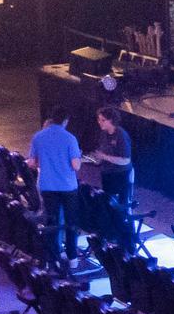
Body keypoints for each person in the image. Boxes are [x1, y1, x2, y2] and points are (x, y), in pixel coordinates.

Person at [28, 108, 83, 271]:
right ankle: (72, 257)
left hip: (47, 186)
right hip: (67, 187)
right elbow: (75, 165)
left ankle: (53, 257)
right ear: (65, 121)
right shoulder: (70, 138)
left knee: (52, 221)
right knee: (71, 221)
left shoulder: (38, 136)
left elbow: (33, 162)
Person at [82, 104, 135, 254]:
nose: (99, 122)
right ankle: (113, 236)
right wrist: (90, 159)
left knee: (123, 207)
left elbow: (125, 160)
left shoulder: (121, 135)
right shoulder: (103, 134)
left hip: (122, 176)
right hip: (107, 174)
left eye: (102, 120)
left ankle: (129, 243)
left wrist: (104, 157)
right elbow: (102, 156)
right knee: (109, 204)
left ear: (111, 120)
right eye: (99, 119)